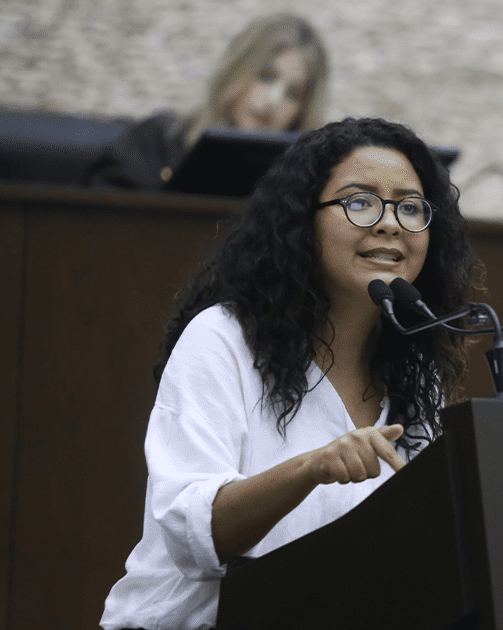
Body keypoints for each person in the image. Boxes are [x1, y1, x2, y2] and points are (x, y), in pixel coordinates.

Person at [100, 117, 482, 630]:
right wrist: (311, 468)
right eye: (360, 201)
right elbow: (194, 536)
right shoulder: (223, 338)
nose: (390, 223)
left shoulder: (415, 375)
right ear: (304, 220)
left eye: (410, 207)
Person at [82, 14, 329, 190]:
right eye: (266, 77)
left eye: (293, 94)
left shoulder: (300, 187)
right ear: (236, 68)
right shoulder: (159, 141)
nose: (273, 101)